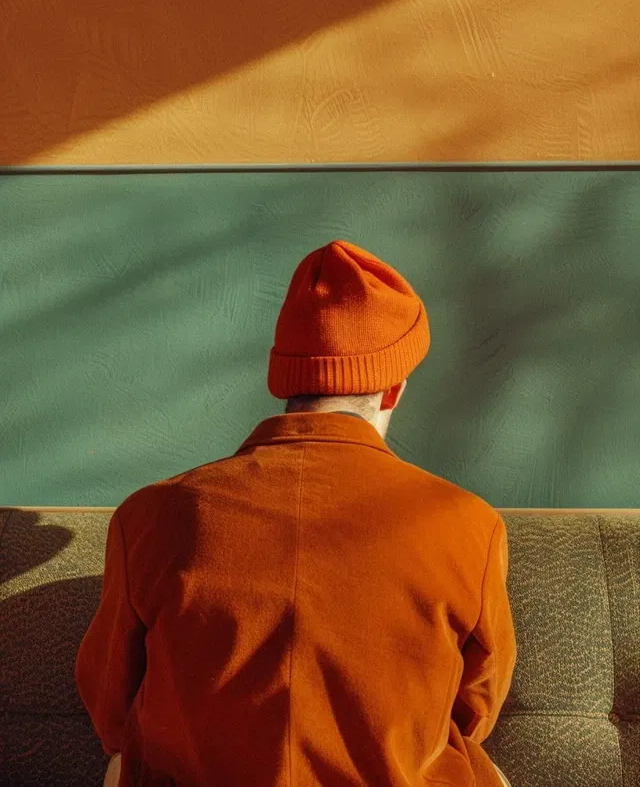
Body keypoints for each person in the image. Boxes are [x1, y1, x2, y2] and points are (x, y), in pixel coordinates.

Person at [78, 239, 516, 787]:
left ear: (286, 378)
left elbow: (111, 703)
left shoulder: (150, 516)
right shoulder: (468, 523)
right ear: (393, 391)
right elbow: (477, 706)